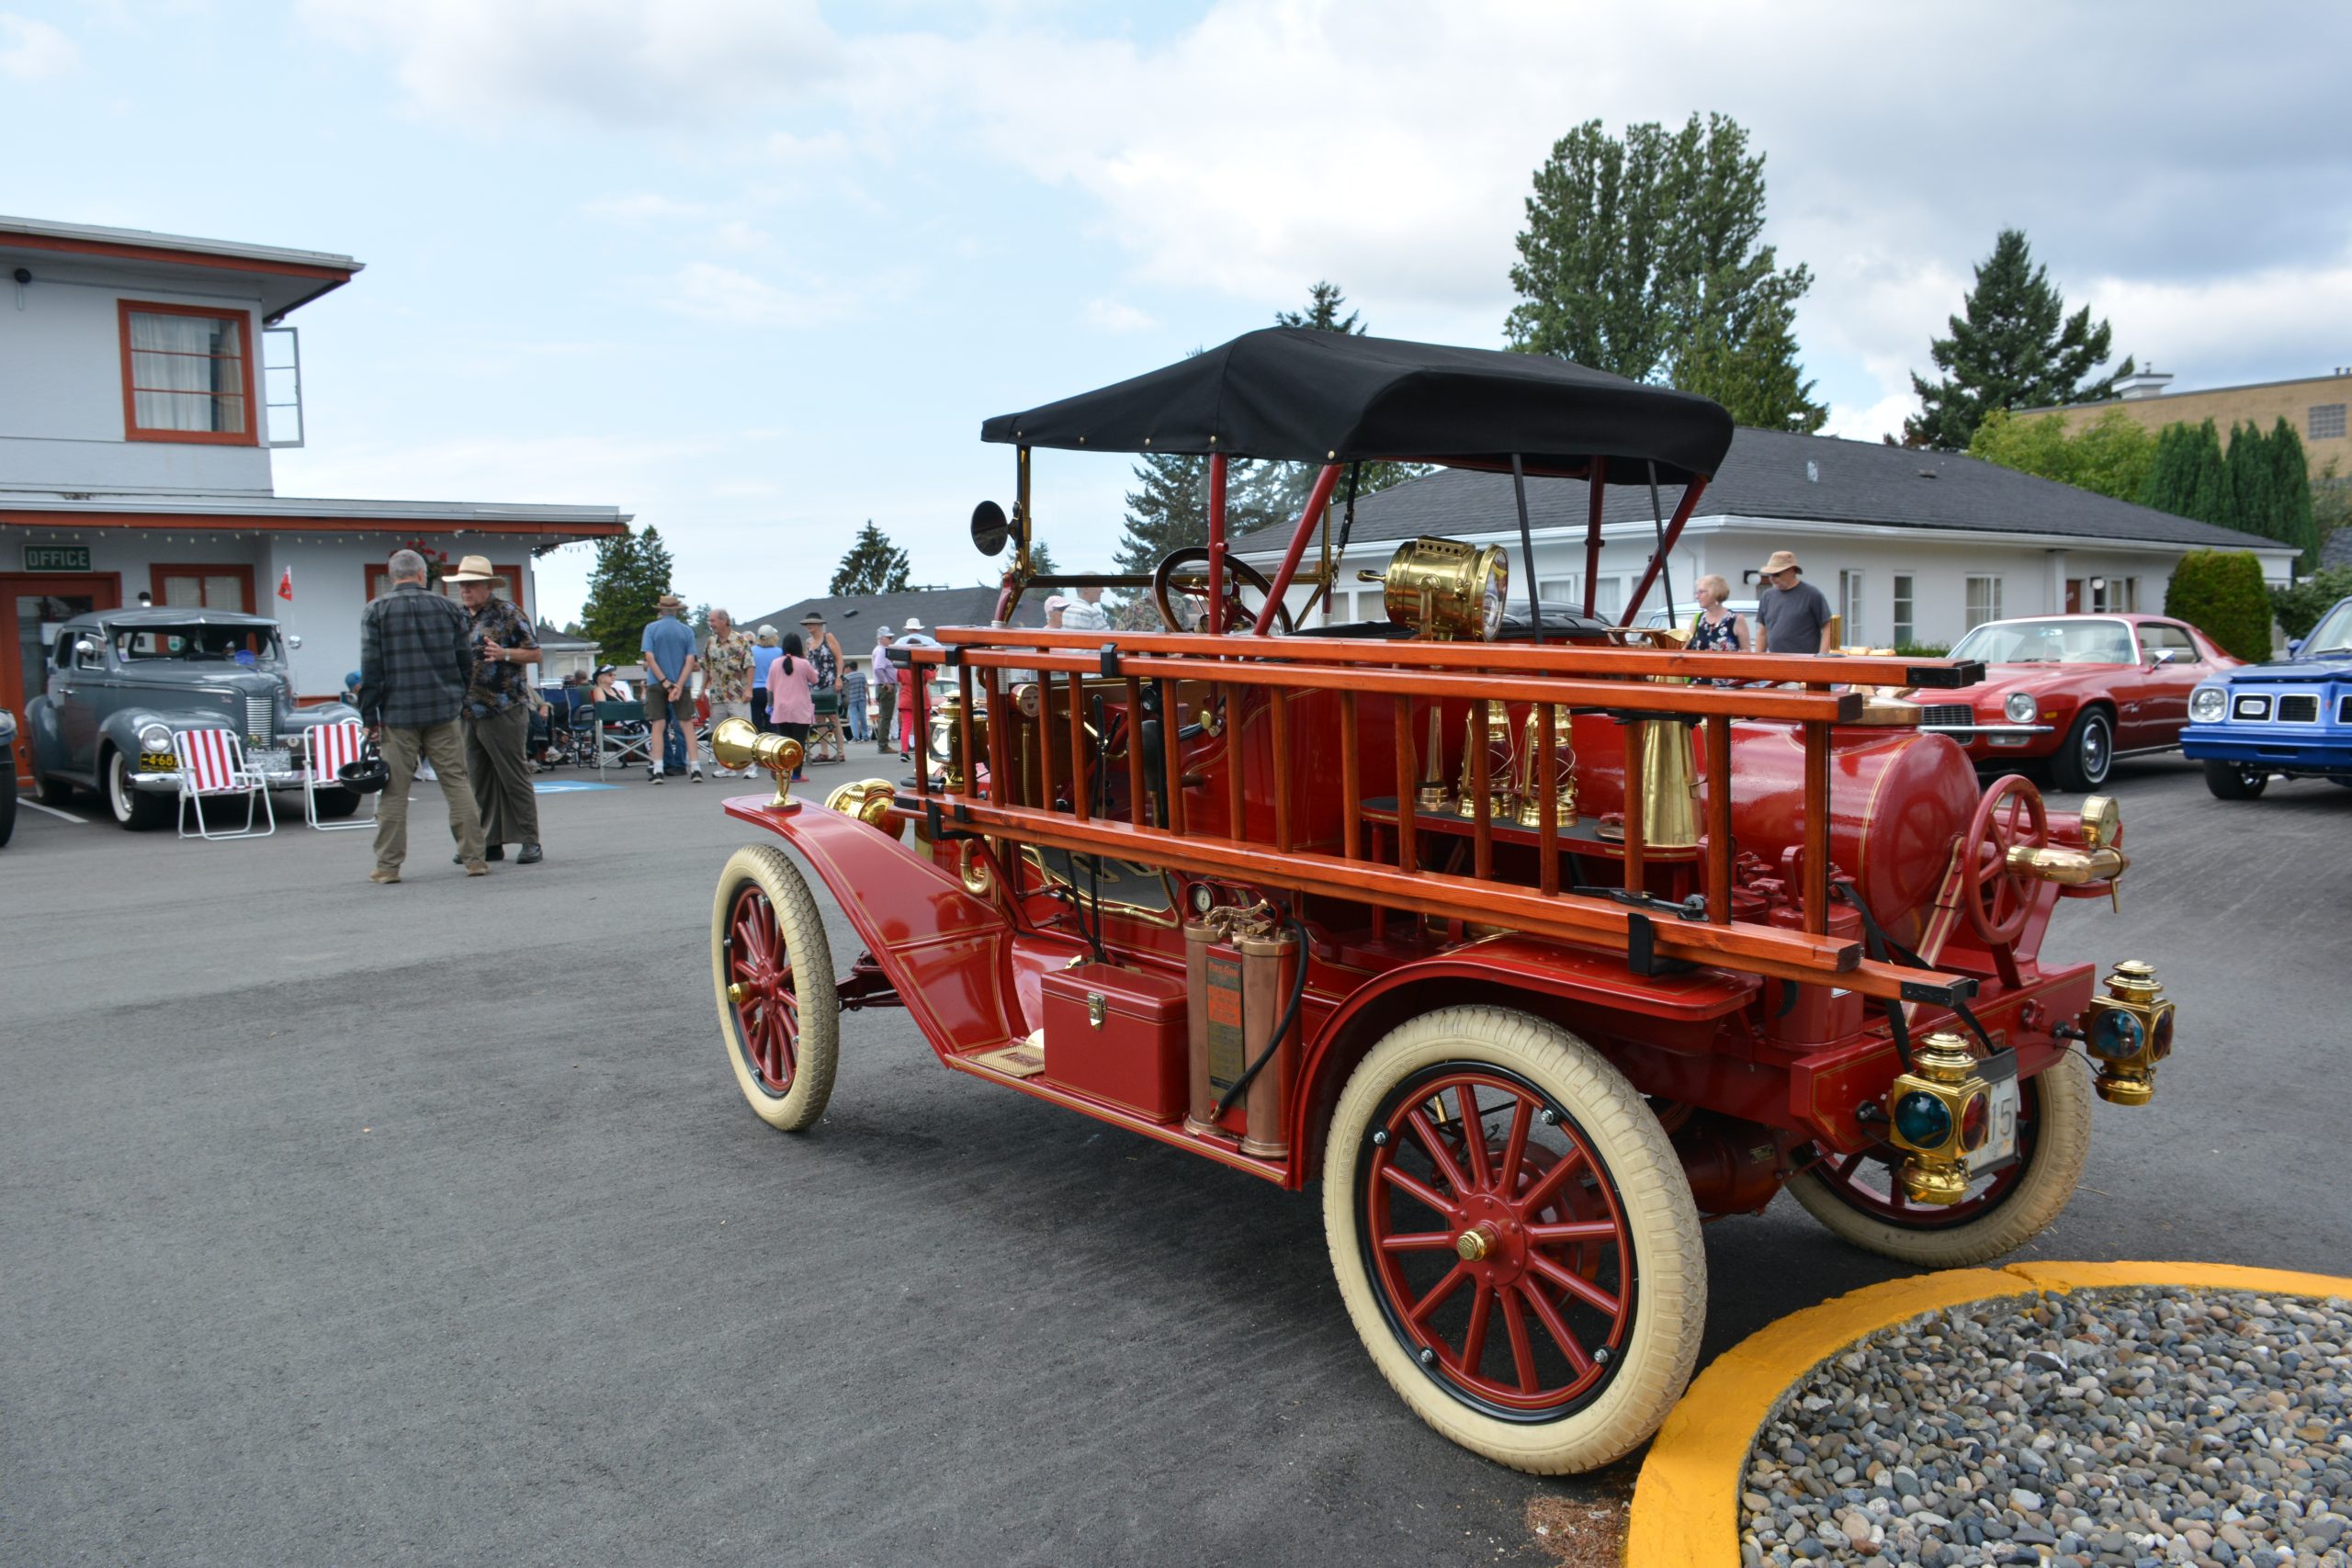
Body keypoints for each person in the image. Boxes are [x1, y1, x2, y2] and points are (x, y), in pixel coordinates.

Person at [356, 548, 486, 883]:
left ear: (392, 575)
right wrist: (457, 696)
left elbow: (371, 670)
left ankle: (388, 867)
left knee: (394, 792)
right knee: (456, 782)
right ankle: (474, 858)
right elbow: (464, 662)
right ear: (421, 574)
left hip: (398, 714)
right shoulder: (449, 609)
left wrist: (370, 717)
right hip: (443, 711)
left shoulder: (376, 610)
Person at [446, 555, 544, 865]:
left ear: (488, 586)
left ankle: (530, 840)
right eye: (462, 585)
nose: (465, 590)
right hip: (468, 710)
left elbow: (536, 653)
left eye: (471, 584)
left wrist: (505, 654)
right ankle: (489, 841)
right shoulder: (459, 617)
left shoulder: (508, 614)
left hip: (503, 706)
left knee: (513, 776)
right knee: (479, 780)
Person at [639, 592, 702, 783]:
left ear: (660, 610)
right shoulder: (687, 631)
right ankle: (695, 768)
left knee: (658, 725)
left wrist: (665, 682)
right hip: (682, 683)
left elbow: (649, 658)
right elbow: (690, 660)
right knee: (686, 725)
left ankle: (658, 768)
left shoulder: (651, 629)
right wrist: (679, 685)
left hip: (656, 683)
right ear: (676, 611)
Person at [702, 607, 755, 777]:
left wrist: (749, 688)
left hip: (737, 693)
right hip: (717, 694)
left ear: (724, 621)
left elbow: (749, 665)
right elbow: (706, 666)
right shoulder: (711, 642)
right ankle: (726, 766)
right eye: (710, 621)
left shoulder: (740, 640)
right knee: (719, 732)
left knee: (743, 729)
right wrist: (703, 688)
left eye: (713, 620)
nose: (711, 624)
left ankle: (750, 766)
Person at [1749, 550, 1834, 656]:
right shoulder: (1767, 596)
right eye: (1769, 574)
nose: (1772, 578)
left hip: (1805, 661)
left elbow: (1828, 625)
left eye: (1776, 574)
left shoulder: (1812, 594)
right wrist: (1758, 659)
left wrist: (1822, 656)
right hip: (1776, 660)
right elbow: (1763, 631)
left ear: (1792, 571)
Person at [765, 630, 819, 781]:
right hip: (800, 709)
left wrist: (770, 706)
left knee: (785, 743)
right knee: (798, 743)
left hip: (781, 709)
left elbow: (769, 688)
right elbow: (814, 679)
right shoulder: (803, 663)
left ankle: (784, 771)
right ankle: (796, 774)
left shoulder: (775, 663)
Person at [869, 624, 897, 753]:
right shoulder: (882, 651)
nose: (891, 640)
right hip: (885, 687)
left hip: (882, 687)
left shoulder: (878, 650)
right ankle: (883, 745)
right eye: (889, 638)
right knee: (886, 716)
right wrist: (887, 683)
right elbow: (878, 668)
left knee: (884, 716)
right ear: (881, 638)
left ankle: (883, 743)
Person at [751, 625, 782, 733]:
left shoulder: (751, 651)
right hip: (772, 691)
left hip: (754, 690)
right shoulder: (779, 652)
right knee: (772, 724)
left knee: (755, 724)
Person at [842, 658, 868, 742]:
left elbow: (844, 689)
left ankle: (856, 737)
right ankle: (865, 736)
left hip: (851, 699)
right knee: (863, 717)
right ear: (857, 667)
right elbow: (866, 687)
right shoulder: (862, 675)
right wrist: (869, 697)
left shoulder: (847, 677)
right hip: (862, 698)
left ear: (850, 667)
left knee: (853, 718)